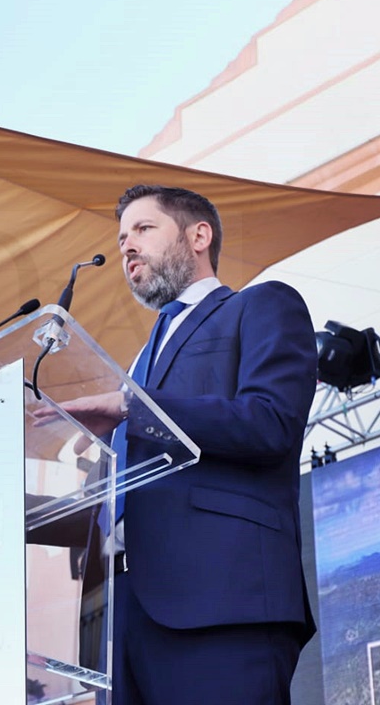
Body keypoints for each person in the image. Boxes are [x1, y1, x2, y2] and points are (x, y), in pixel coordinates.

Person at [45, 184, 318, 705]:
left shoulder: (260, 306)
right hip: (119, 621)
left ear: (199, 235)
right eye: (122, 237)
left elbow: (270, 422)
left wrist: (133, 407)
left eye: (144, 229)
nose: (127, 246)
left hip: (222, 603)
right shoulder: (134, 362)